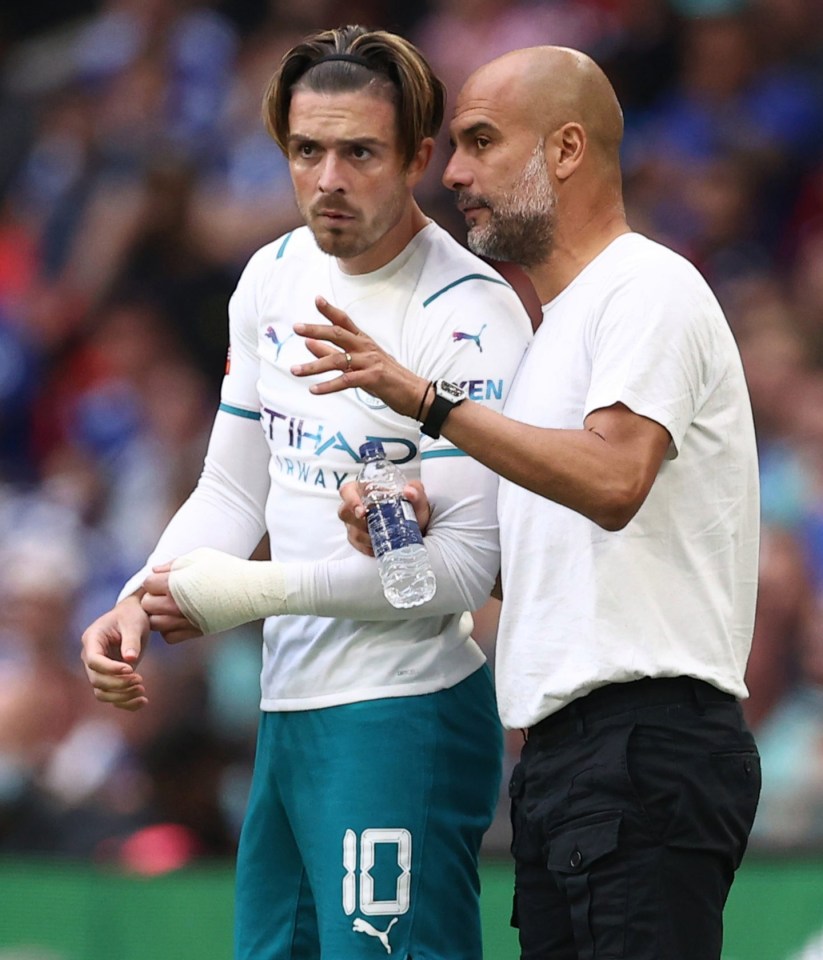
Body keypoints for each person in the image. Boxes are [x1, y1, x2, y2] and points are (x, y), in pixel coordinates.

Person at [278, 45, 761, 960]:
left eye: (480, 141)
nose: (453, 171)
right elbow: (546, 562)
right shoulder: (551, 336)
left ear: (567, 148)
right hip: (565, 762)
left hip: (641, 742)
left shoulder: (646, 287)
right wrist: (413, 522)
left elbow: (615, 481)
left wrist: (430, 403)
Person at [79, 25, 533, 960]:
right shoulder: (271, 276)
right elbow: (230, 486)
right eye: (305, 150)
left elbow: (461, 573)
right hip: (288, 718)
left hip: (403, 715)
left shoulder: (469, 315)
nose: (328, 178)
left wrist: (254, 593)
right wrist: (140, 592)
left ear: (416, 156)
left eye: (359, 152)